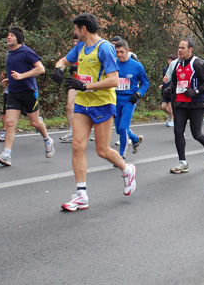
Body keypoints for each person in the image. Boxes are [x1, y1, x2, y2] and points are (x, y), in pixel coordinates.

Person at [51, 13, 136, 211]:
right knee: (77, 145)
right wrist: (58, 68)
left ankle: (127, 169)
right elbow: (63, 60)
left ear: (84, 29)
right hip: (83, 103)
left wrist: (85, 86)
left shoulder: (104, 48)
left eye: (75, 28)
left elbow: (114, 80)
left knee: (102, 150)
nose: (74, 32)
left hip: (102, 103)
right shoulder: (80, 47)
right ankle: (81, 195)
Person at [0, 27, 55, 166]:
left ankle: (47, 140)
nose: (8, 37)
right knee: (9, 123)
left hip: (28, 92)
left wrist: (21, 76)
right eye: (8, 35)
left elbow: (41, 69)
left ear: (18, 38)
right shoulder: (10, 53)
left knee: (35, 122)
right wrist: (11, 80)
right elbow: (16, 70)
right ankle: (6, 154)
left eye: (12, 36)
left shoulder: (26, 51)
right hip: (13, 92)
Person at [164, 39, 204, 174]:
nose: (179, 50)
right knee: (178, 131)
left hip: (196, 103)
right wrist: (170, 89)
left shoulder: (199, 64)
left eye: (183, 48)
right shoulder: (177, 64)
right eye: (179, 48)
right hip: (180, 103)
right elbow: (175, 81)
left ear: (190, 49)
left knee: (196, 134)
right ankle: (183, 162)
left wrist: (196, 91)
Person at [114, 39, 150, 159]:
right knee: (119, 130)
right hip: (115, 99)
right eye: (117, 52)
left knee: (124, 127)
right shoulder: (113, 64)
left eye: (121, 52)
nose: (119, 54)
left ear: (128, 51)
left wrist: (138, 94)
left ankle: (121, 156)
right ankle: (135, 139)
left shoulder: (137, 66)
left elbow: (145, 83)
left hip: (129, 100)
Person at [60, 35, 80, 142]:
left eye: (77, 41)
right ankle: (72, 131)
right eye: (74, 41)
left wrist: (78, 67)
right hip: (75, 82)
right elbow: (64, 61)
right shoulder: (73, 52)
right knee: (69, 106)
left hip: (88, 84)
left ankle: (96, 130)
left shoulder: (88, 50)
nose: (75, 43)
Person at [159, 54, 176, 127]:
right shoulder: (165, 68)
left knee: (170, 106)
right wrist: (162, 84)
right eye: (169, 60)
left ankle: (172, 120)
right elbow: (165, 77)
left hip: (172, 89)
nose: (170, 62)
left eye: (172, 60)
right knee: (163, 106)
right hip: (165, 89)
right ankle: (171, 115)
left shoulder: (176, 68)